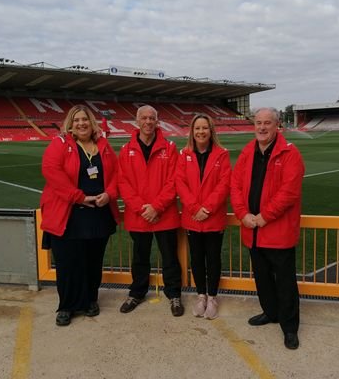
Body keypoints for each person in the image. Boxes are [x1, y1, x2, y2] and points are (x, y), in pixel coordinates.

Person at [230, 107, 305, 350]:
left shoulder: (290, 154)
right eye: (258, 122)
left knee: (284, 282)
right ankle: (270, 313)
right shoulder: (247, 152)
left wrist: (263, 216)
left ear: (277, 126)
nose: (262, 127)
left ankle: (290, 327)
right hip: (252, 230)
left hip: (277, 231)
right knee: (262, 279)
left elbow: (289, 193)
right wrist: (243, 214)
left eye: (267, 123)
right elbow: (235, 186)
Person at [40, 104, 120, 326]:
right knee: (67, 263)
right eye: (76, 120)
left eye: (85, 119)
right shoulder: (60, 144)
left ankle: (90, 300)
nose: (81, 123)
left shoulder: (102, 145)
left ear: (92, 122)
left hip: (97, 215)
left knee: (93, 261)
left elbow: (116, 173)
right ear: (70, 125)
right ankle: (67, 306)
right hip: (69, 214)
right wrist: (78, 197)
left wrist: (110, 193)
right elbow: (51, 172)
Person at [117, 105, 184, 317]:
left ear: (157, 121)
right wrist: (141, 207)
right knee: (139, 258)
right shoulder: (126, 149)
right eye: (144, 118)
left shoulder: (170, 148)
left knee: (170, 258)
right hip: (139, 216)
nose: (148, 122)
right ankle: (137, 293)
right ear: (137, 121)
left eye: (152, 118)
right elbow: (123, 182)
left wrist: (156, 206)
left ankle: (174, 295)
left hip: (164, 214)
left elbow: (174, 181)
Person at [176, 114, 231, 319]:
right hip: (192, 218)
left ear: (211, 131)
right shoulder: (184, 154)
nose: (201, 132)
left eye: (204, 128)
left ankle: (213, 296)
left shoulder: (221, 154)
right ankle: (201, 295)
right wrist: (193, 207)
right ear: (192, 131)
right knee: (197, 259)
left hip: (213, 217)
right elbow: (180, 183)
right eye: (197, 128)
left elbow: (224, 184)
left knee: (213, 258)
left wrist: (206, 208)